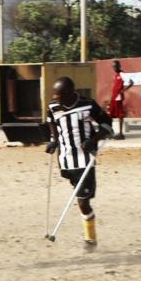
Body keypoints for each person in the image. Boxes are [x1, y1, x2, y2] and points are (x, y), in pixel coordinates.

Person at [45, 76, 113, 249]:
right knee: (80, 198)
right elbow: (52, 124)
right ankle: (89, 233)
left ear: (69, 92)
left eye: (58, 95)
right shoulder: (53, 107)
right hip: (66, 161)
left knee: (83, 201)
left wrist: (94, 140)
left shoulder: (88, 105)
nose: (55, 98)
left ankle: (90, 240)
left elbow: (107, 124)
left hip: (85, 161)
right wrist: (53, 140)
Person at [107, 60, 134, 139]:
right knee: (110, 115)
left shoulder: (122, 74)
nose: (114, 68)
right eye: (113, 66)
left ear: (119, 66)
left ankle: (121, 134)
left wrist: (123, 90)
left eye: (115, 66)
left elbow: (131, 82)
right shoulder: (116, 75)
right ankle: (110, 132)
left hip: (118, 97)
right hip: (114, 97)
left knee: (120, 115)